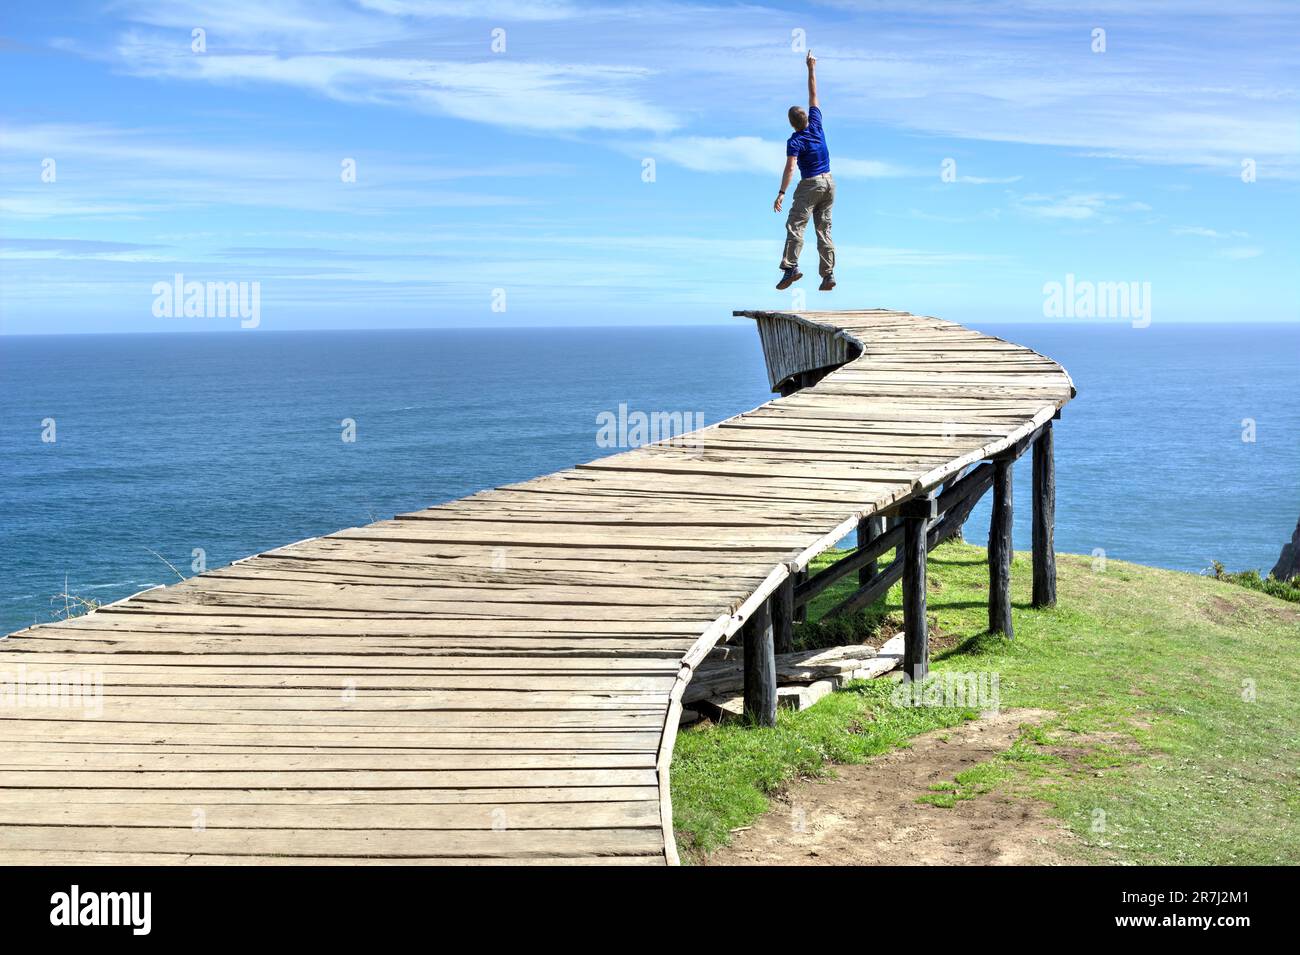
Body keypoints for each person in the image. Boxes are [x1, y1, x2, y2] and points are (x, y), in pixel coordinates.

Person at [774, 49, 834, 291]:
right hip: (830, 183)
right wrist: (811, 67)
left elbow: (790, 167)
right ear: (807, 118)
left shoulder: (795, 140)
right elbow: (813, 93)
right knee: (824, 229)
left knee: (796, 224)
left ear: (791, 124)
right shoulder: (817, 125)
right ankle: (828, 275)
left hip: (810, 184)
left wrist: (781, 192)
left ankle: (790, 268)